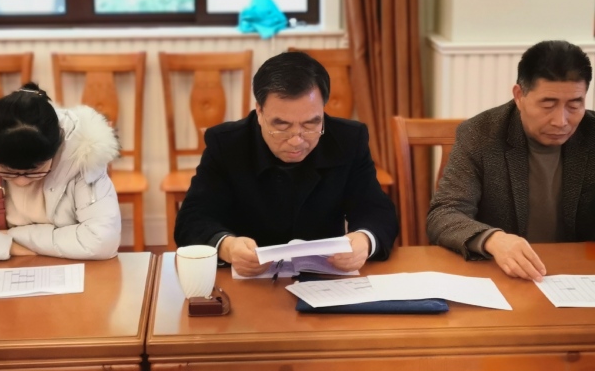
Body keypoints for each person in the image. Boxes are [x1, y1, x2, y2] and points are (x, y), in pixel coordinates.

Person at [174, 51, 398, 276]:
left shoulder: (348, 140)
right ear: (259, 111)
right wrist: (227, 246)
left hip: (324, 278)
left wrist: (364, 240)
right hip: (249, 279)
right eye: (281, 126)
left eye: (310, 124)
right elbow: (192, 219)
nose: (296, 140)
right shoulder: (227, 144)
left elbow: (377, 211)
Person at [427, 40, 595, 282]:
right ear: (519, 95)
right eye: (548, 105)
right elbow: (444, 213)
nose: (561, 121)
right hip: (501, 276)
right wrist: (493, 239)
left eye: (574, 105)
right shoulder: (480, 135)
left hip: (578, 278)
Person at [0, 82, 122, 263]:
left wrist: (9, 236)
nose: (21, 182)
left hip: (65, 266)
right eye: (8, 172)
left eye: (34, 170)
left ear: (56, 150)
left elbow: (102, 241)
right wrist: (7, 246)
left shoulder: (81, 155)